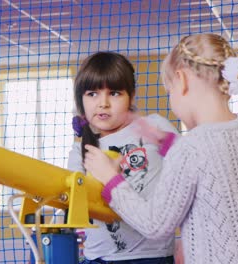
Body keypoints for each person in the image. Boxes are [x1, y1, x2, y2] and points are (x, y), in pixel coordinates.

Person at [83, 34, 238, 263]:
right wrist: (167, 143)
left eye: (169, 90)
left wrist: (111, 179)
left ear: (181, 81)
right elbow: (215, 168)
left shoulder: (191, 149)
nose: (172, 99)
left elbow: (155, 225)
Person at [68, 51, 179, 264]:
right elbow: (75, 201)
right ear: (81, 99)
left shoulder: (153, 126)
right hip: (99, 257)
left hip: (152, 256)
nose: (103, 103)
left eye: (115, 93)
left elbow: (186, 165)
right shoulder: (82, 149)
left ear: (131, 96)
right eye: (92, 94)